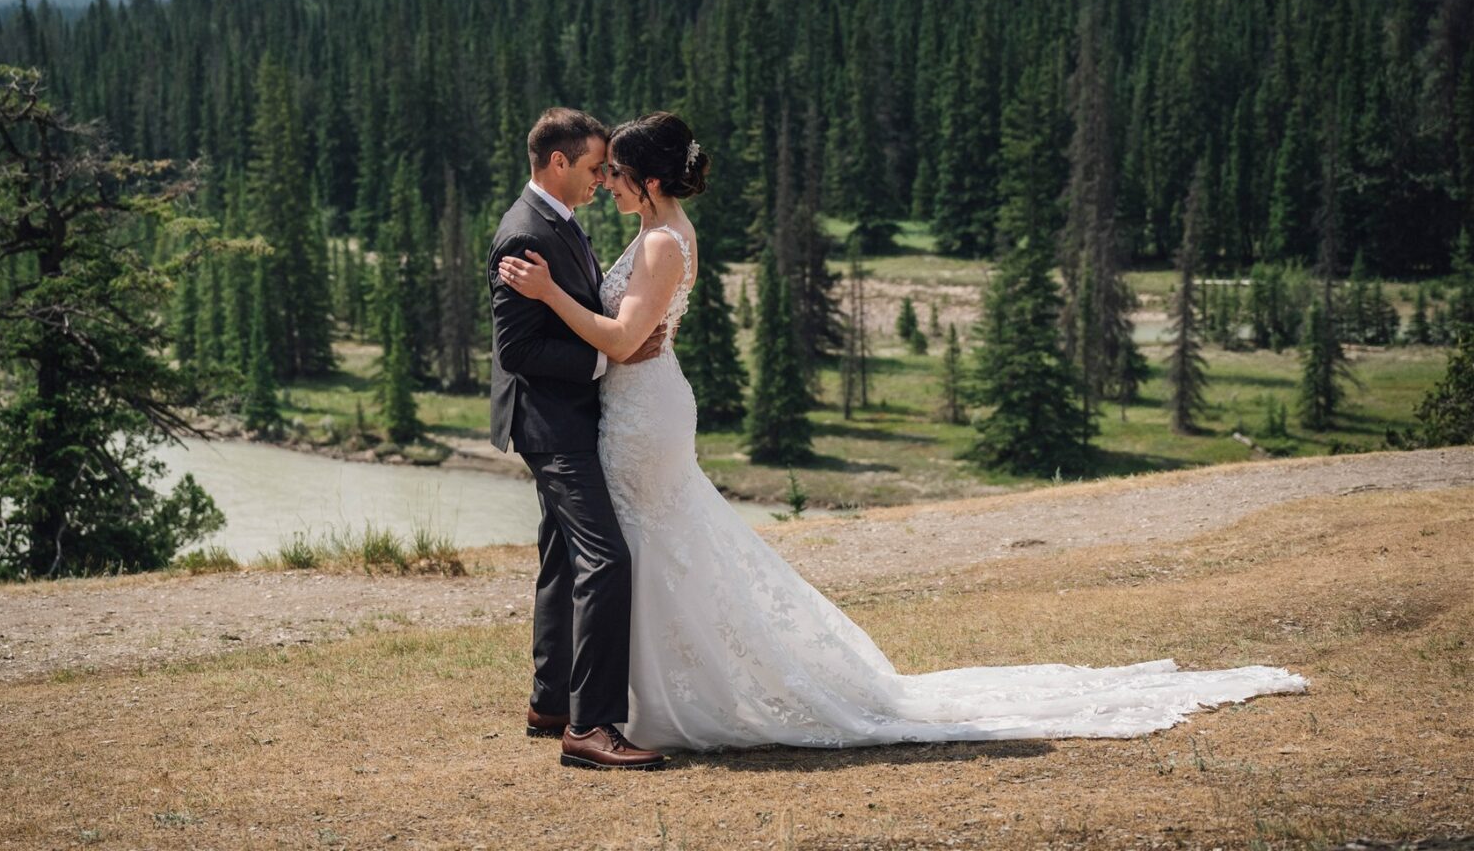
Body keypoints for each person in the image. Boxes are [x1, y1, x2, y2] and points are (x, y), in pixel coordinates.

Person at [496, 111, 1308, 752]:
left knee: (657, 546)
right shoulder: (647, 235)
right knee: (641, 549)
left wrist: (561, 302)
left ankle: (637, 704)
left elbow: (617, 336)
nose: (607, 182)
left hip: (645, 415)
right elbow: (628, 331)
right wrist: (616, 329)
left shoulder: (664, 242)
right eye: (600, 170)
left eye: (616, 173)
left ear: (643, 181)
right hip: (632, 409)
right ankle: (598, 699)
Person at [487, 107, 668, 769]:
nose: (601, 179)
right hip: (552, 425)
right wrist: (605, 360)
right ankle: (590, 727)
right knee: (606, 560)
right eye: (594, 167)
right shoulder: (523, 236)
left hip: (568, 418)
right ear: (557, 164)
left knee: (563, 557)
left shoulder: (558, 222)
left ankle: (550, 702)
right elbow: (518, 349)